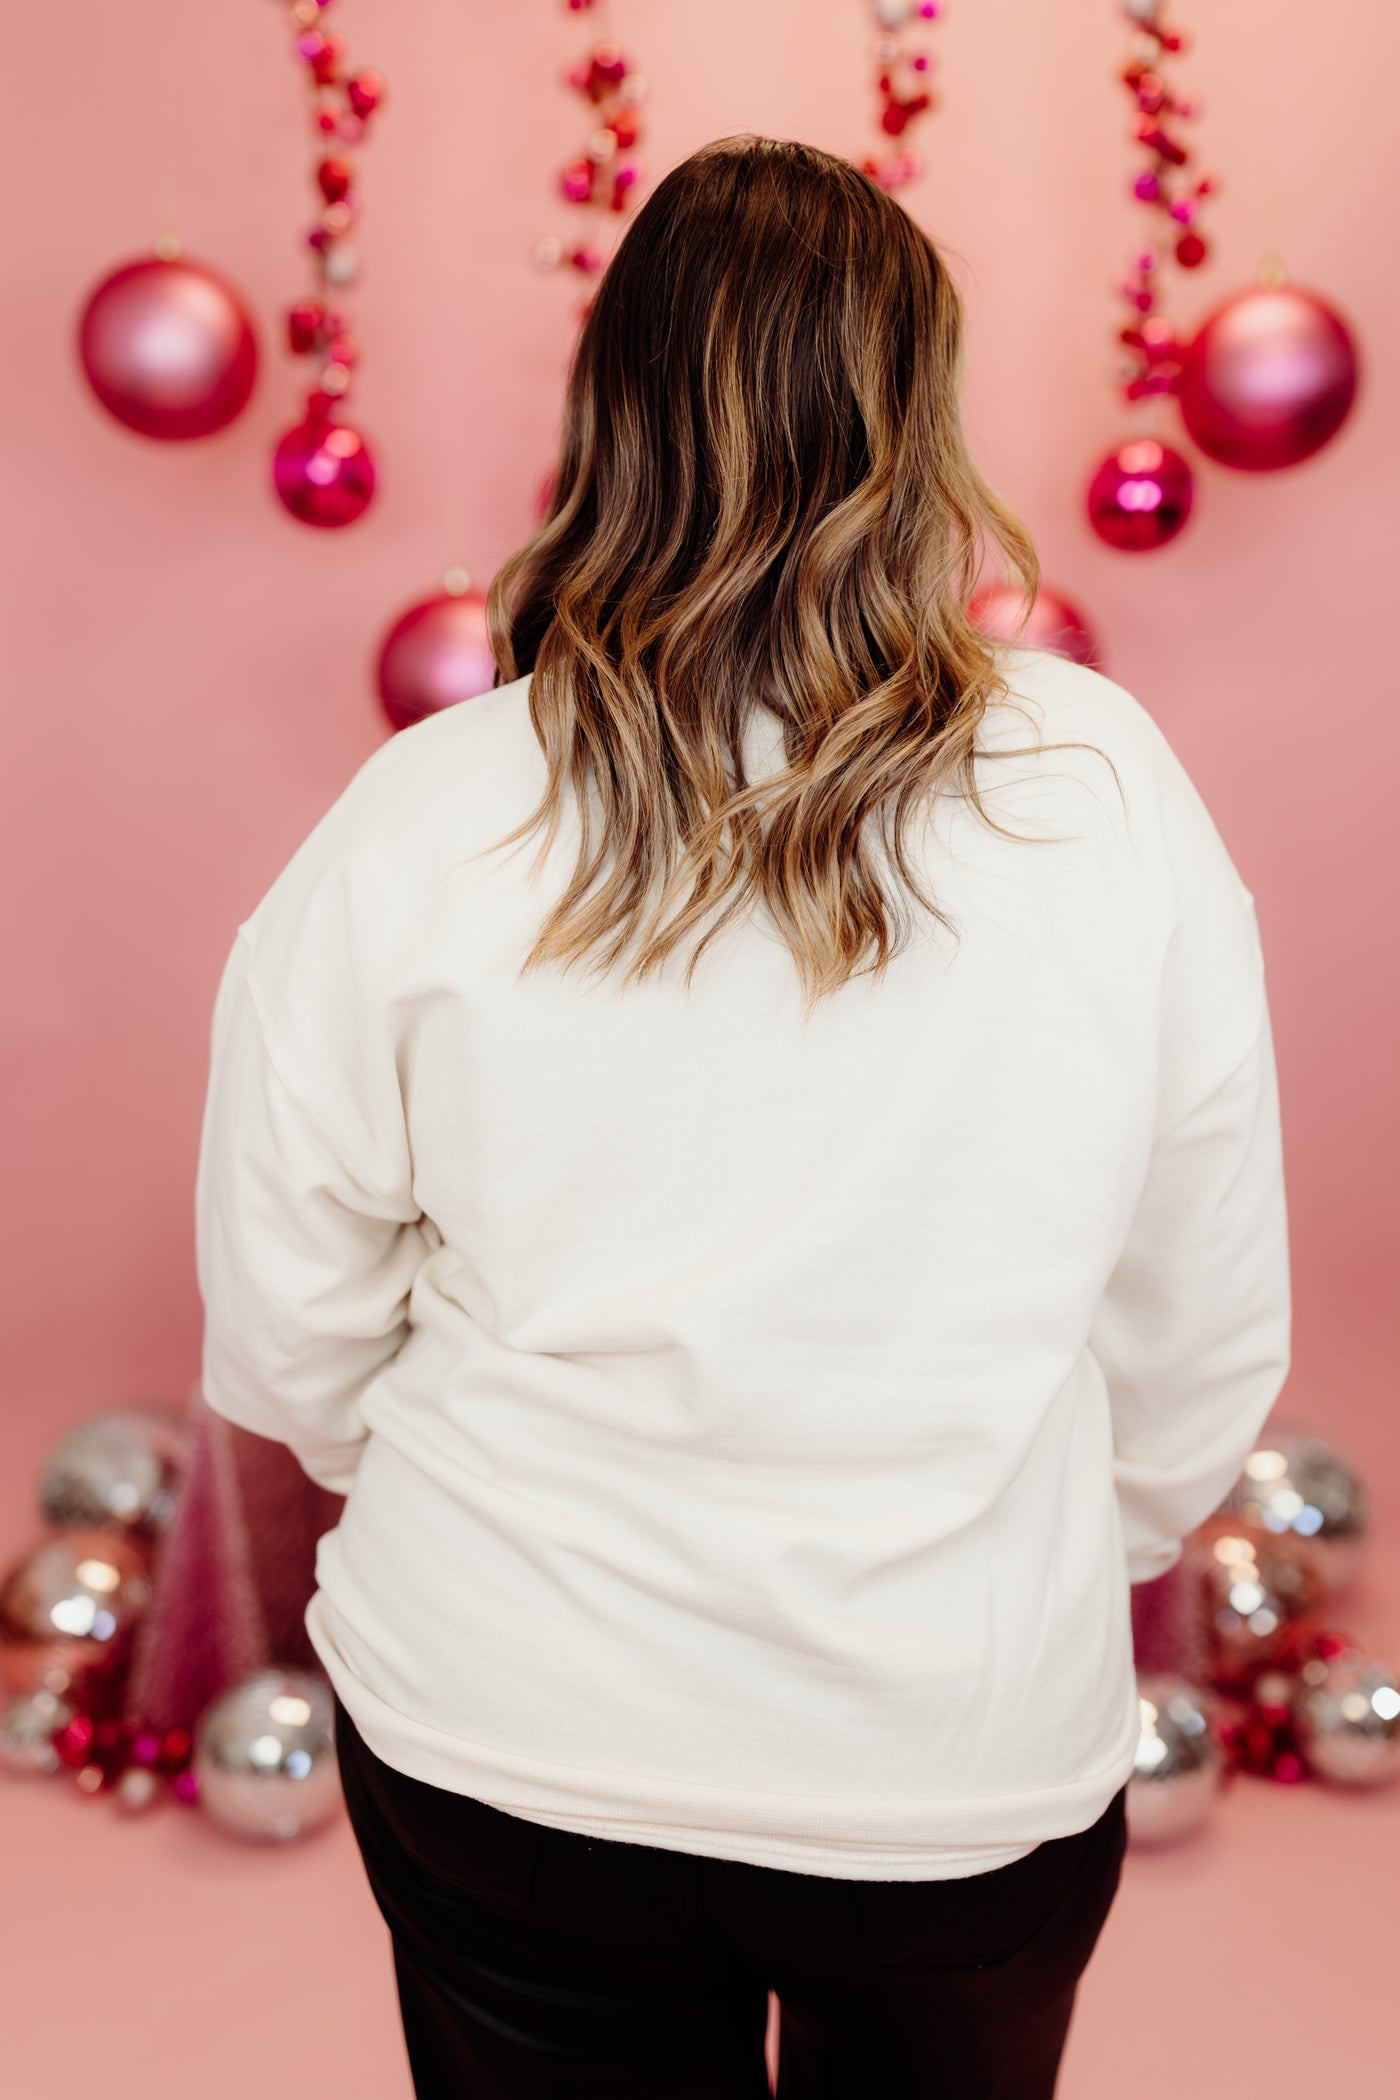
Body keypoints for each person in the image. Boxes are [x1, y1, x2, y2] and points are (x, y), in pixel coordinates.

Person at [195, 137, 1290, 2098]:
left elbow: (287, 1320)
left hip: (503, 1730)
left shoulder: (431, 811)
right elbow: (1199, 1317)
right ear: (919, 422)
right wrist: (1021, 1539)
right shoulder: (1105, 790)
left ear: (608, 421)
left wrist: (486, 1491)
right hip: (956, 1762)